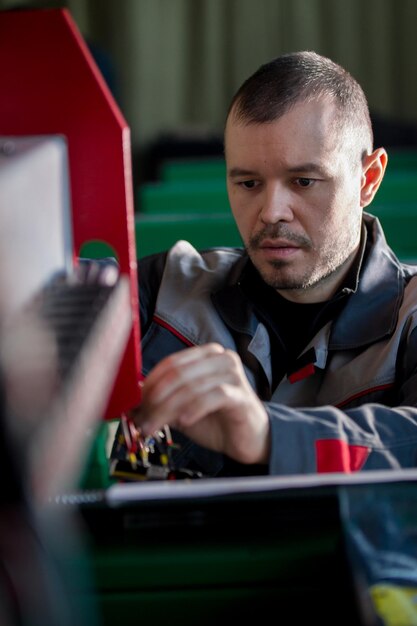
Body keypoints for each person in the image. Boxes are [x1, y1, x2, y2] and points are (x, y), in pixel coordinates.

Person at [113, 50, 417, 477]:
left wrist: (269, 434)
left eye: (303, 181)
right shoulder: (161, 290)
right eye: (249, 183)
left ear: (368, 179)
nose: (272, 211)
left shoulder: (413, 318)